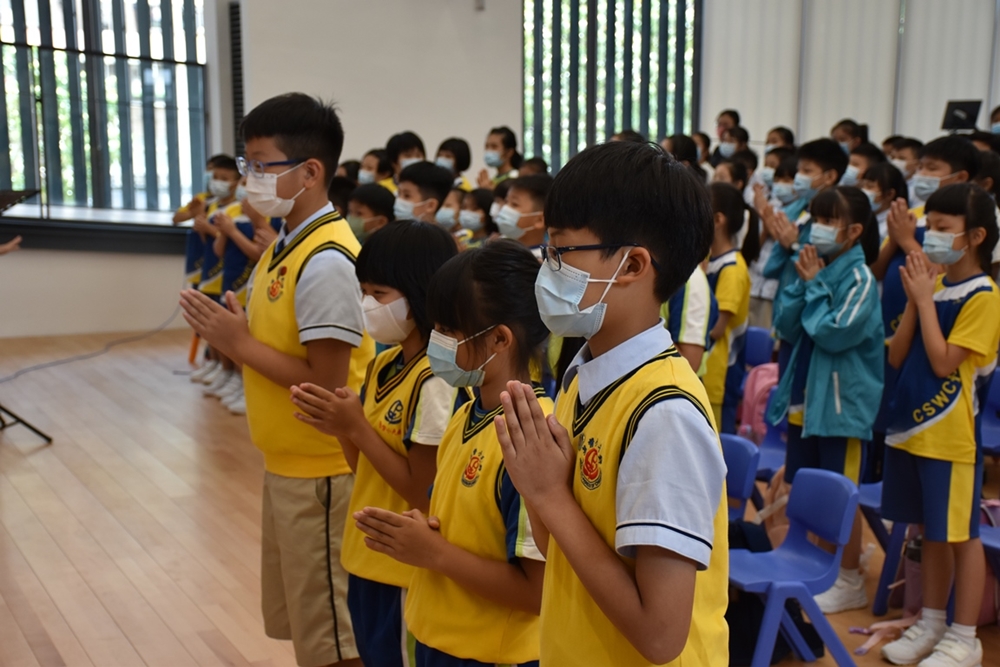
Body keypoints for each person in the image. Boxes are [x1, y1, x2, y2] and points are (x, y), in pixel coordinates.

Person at [495, 140, 728, 665]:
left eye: (561, 251)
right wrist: (539, 489)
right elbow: (561, 551)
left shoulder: (664, 414)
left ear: (632, 264)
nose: (545, 266)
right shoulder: (585, 379)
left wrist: (547, 494)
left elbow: (661, 637)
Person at [179, 92, 374, 667]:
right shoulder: (285, 245)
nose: (249, 178)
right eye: (248, 163)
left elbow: (326, 387)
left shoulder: (327, 260)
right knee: (311, 627)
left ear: (310, 172)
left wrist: (237, 343)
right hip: (288, 464)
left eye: (261, 165)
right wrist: (239, 334)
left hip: (323, 473)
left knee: (335, 639)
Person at [353, 240, 550, 666]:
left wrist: (434, 552)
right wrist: (418, 532)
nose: (435, 341)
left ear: (499, 338)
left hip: (491, 653)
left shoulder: (530, 437)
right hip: (438, 637)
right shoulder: (466, 414)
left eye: (447, 330)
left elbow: (536, 592)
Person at [289, 220, 459, 667]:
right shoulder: (383, 365)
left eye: (378, 294)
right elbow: (362, 467)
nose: (366, 304)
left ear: (421, 292)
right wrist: (342, 426)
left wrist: (357, 428)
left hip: (404, 568)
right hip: (364, 556)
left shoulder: (437, 379)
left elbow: (422, 491)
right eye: (362, 291)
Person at [881, 183, 1000, 667]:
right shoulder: (933, 284)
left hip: (951, 438)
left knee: (961, 537)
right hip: (911, 430)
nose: (929, 235)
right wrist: (917, 300)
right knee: (928, 531)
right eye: (927, 226)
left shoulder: (985, 295)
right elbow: (896, 355)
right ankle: (930, 622)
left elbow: (944, 361)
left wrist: (926, 301)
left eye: (941, 228)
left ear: (975, 236)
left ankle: (964, 637)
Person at [765, 186, 883, 616]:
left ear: (853, 231)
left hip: (840, 409)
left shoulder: (860, 279)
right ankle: (812, 564)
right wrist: (803, 281)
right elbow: (786, 326)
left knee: (841, 496)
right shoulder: (813, 265)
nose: (817, 227)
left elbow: (833, 332)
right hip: (805, 402)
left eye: (828, 220)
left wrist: (814, 286)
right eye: (815, 218)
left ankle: (848, 578)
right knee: (806, 489)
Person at [761, 138, 848, 376]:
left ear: (830, 176)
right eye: (799, 170)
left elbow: (827, 265)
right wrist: (784, 241)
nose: (799, 177)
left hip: (814, 315)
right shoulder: (800, 208)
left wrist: (794, 245)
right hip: (789, 307)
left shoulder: (840, 217)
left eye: (807, 171)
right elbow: (773, 265)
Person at [704, 182, 755, 433]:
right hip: (704, 373)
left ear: (718, 220)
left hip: (719, 378)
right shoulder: (709, 261)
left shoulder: (733, 268)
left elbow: (716, 328)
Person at [748, 153, 797, 329]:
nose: (781, 184)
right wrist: (763, 220)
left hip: (775, 289)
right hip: (755, 283)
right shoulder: (771, 206)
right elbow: (756, 248)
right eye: (778, 179)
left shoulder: (801, 213)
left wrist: (769, 224)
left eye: (787, 180)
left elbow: (787, 243)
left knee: (764, 336)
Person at [910, 135, 981, 213]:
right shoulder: (914, 214)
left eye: (932, 168)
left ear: (960, 177)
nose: (921, 174)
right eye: (920, 167)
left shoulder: (975, 215)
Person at [496, 174, 552, 253]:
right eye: (506, 201)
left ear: (539, 220)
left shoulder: (544, 258)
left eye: (514, 204)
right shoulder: (496, 247)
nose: (505, 208)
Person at [861, 161, 909, 240]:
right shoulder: (864, 214)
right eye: (863, 186)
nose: (864, 190)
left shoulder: (891, 228)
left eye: (870, 187)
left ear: (889, 194)